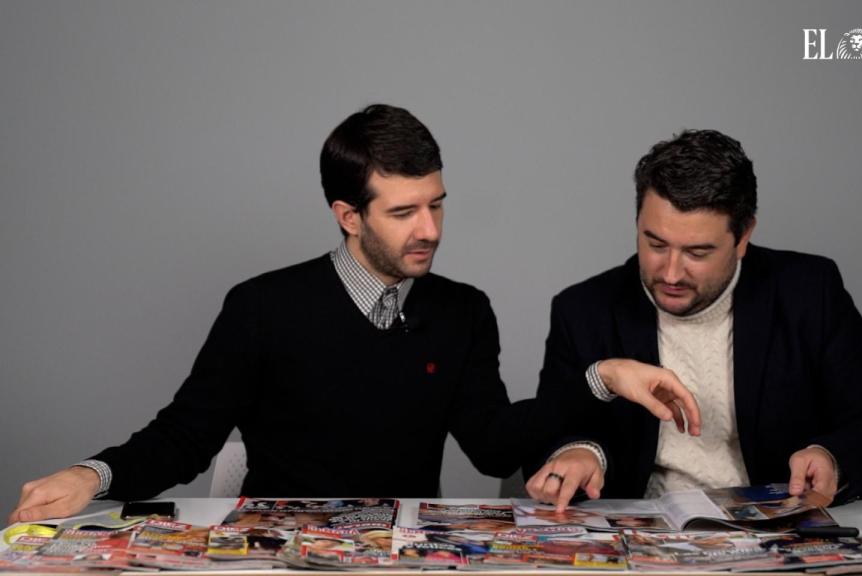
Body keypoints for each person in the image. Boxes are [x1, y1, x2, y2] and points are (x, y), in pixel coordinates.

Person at [8, 104, 695, 525]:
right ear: (348, 216)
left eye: (437, 203)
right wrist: (93, 475)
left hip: (402, 552)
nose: (429, 229)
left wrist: (599, 377)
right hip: (278, 546)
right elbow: (185, 436)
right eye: (403, 213)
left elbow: (492, 443)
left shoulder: (462, 311)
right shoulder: (263, 307)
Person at [525, 129, 862, 510]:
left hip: (772, 542)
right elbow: (543, 430)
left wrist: (829, 457)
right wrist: (580, 453)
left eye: (698, 252)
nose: (671, 273)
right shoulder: (583, 308)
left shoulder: (809, 292)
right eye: (655, 244)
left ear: (743, 237)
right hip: (644, 546)